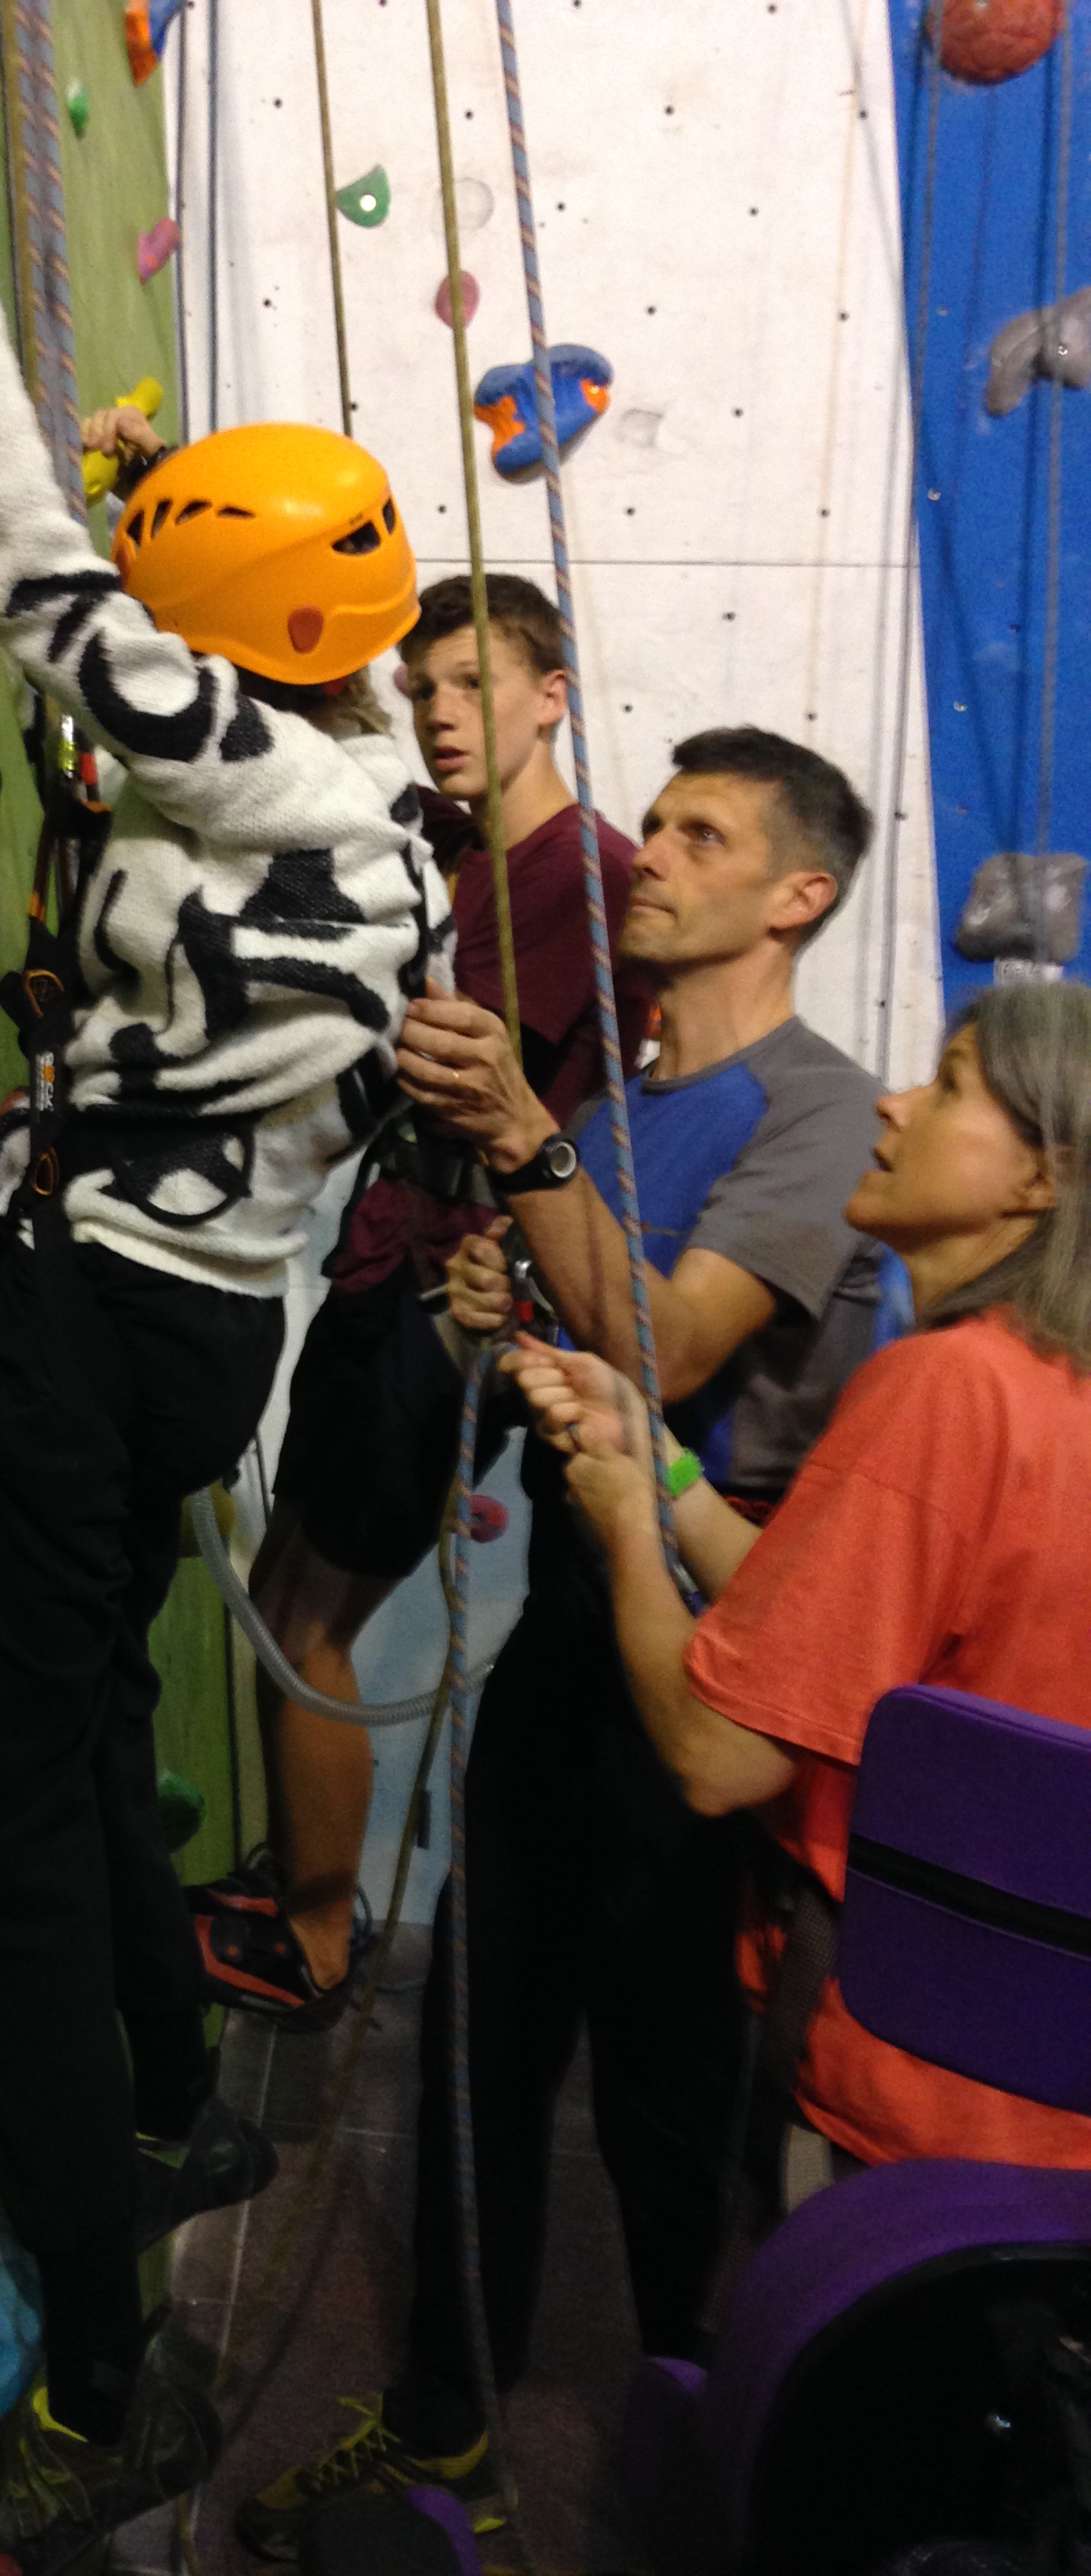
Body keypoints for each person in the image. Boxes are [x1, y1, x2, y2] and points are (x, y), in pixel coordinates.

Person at [0, 10, 449, 2567]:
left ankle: (106, 2375)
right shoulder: (384, 802)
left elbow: (14, 551)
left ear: (222, 624)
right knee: (93, 1716)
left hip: (101, 1313)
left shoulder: (232, 753)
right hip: (216, 1326)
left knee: (9, 1818)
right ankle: (183, 2091)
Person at [239, 728, 890, 2552]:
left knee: (674, 2107)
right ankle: (443, 2424)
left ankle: (707, 2454)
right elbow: (578, 1327)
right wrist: (490, 1298)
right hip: (568, 1639)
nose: (650, 856)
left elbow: (670, 1348)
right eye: (656, 822)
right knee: (477, 2044)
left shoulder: (818, 1110)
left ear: (799, 895)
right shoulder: (615, 1114)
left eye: (702, 836)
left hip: (712, 1663)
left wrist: (527, 1154)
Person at [508, 979, 1091, 2177]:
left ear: (1042, 1179)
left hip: (914, 2069)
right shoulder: (1051, 1390)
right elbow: (829, 1624)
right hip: (1033, 2068)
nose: (895, 1105)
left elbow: (719, 1756)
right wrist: (663, 1463)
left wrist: (625, 1527)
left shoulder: (948, 1388)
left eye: (950, 1087)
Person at [189, 573, 650, 2025]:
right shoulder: (445, 844)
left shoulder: (589, 881)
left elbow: (517, 1090)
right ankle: (296, 1882)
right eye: (423, 689)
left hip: (458, 1289)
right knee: (288, 1589)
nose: (441, 716)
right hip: (389, 1254)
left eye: (473, 685)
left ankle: (320, 1941)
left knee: (311, 1622)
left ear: (551, 697)